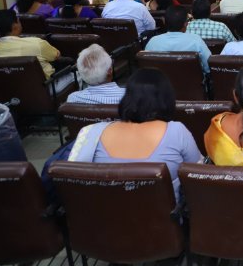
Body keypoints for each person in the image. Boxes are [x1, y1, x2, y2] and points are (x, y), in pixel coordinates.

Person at [68, 68, 202, 201]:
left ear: (127, 97)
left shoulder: (91, 132)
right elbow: (197, 175)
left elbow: (73, 180)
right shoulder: (177, 131)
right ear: (167, 99)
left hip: (104, 219)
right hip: (163, 219)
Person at [0, 9, 60, 80]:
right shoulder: (37, 43)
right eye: (18, 20)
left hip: (7, 90)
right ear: (14, 26)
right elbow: (56, 55)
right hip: (46, 87)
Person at [145, 6, 212, 73]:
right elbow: (209, 66)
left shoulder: (152, 42)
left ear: (164, 22)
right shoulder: (196, 41)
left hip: (160, 82)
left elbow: (147, 68)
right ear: (185, 24)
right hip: (191, 82)